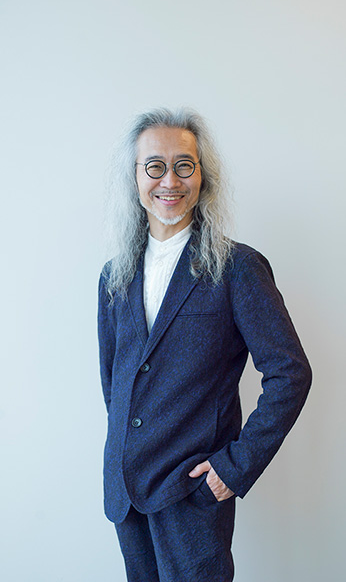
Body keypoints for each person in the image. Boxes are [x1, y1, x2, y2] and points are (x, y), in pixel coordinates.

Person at [97, 107, 311, 582]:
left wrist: (233, 468)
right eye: (155, 166)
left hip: (191, 491)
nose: (169, 180)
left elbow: (290, 373)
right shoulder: (115, 276)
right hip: (125, 493)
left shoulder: (236, 267)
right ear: (135, 178)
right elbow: (115, 382)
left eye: (184, 165)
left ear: (202, 176)